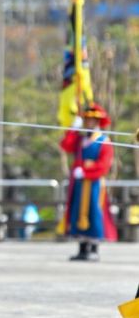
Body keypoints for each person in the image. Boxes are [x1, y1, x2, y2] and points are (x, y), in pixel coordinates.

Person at [58, 103, 117, 261]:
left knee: (94, 212)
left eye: (92, 120)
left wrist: (86, 171)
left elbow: (105, 165)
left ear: (98, 122)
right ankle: (82, 249)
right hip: (79, 183)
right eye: (87, 120)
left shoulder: (104, 140)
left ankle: (94, 248)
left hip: (94, 184)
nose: (89, 122)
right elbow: (65, 146)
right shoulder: (80, 139)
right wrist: (73, 128)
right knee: (78, 212)